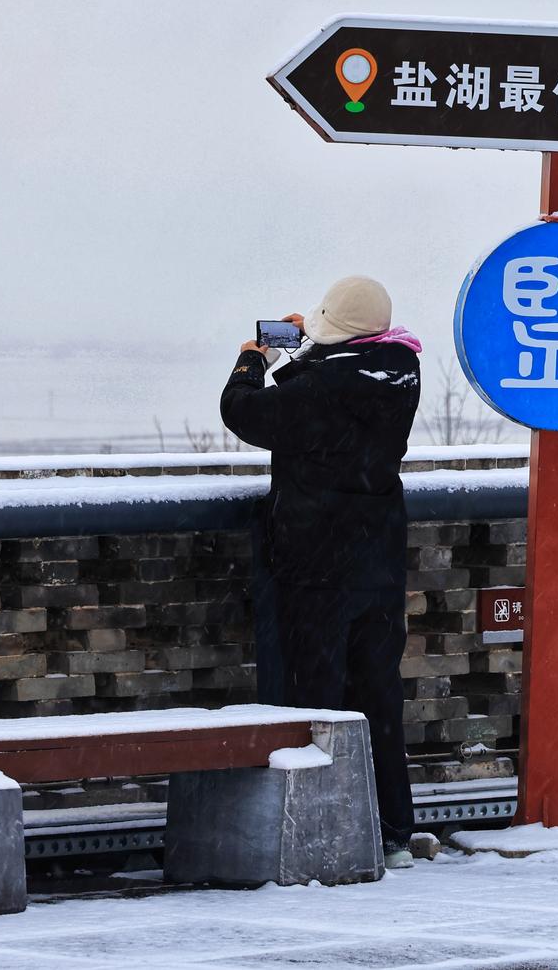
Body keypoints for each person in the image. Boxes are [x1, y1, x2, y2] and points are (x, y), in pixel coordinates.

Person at [220, 275, 422, 866]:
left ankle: (324, 825)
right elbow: (335, 381)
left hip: (317, 562)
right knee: (378, 699)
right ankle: (392, 828)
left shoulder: (324, 388)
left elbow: (247, 413)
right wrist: (320, 342)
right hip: (378, 562)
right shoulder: (399, 370)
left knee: (316, 698)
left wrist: (250, 360)